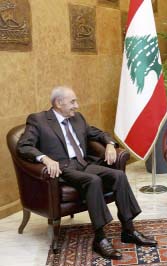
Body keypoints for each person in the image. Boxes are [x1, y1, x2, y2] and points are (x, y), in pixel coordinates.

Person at [17, 86, 157, 260]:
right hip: (63, 168)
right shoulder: (38, 120)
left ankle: (128, 230)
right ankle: (100, 238)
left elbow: (97, 133)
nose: (77, 105)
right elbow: (23, 146)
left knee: (119, 176)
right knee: (93, 181)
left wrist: (110, 144)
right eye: (73, 101)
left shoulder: (77, 118)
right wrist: (44, 158)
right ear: (59, 103)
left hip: (84, 163)